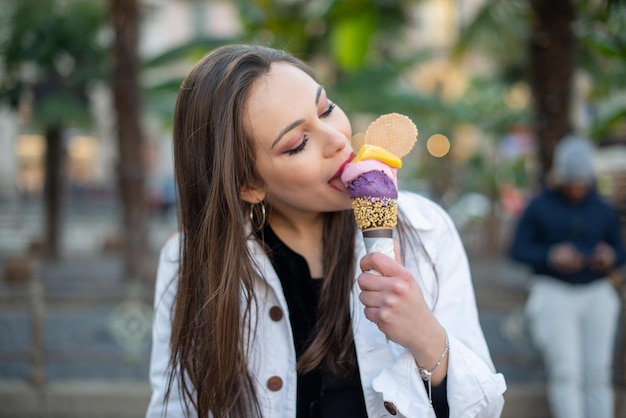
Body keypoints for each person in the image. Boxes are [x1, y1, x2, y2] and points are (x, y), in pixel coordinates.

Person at [146, 44, 506, 418]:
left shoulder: (425, 230)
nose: (337, 139)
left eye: (326, 109)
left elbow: (485, 410)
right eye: (298, 143)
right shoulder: (189, 260)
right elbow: (176, 408)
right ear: (249, 184)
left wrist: (427, 338)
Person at [509, 135, 626, 418]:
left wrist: (609, 256)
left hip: (597, 291)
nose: (577, 187)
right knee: (565, 372)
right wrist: (551, 255)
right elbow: (517, 250)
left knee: (597, 373)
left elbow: (620, 250)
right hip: (554, 291)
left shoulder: (603, 208)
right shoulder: (539, 206)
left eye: (582, 181)